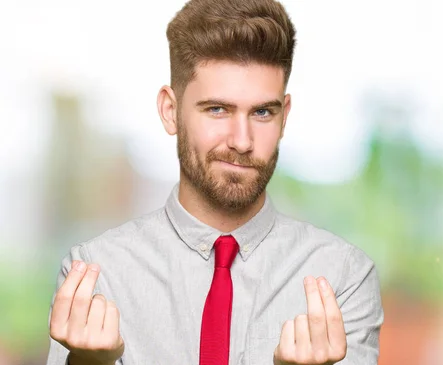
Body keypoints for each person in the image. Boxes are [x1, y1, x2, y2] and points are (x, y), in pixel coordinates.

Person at [45, 0, 384, 364]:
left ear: (284, 117)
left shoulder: (342, 278)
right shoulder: (97, 274)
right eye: (217, 109)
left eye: (262, 112)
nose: (241, 140)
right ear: (170, 111)